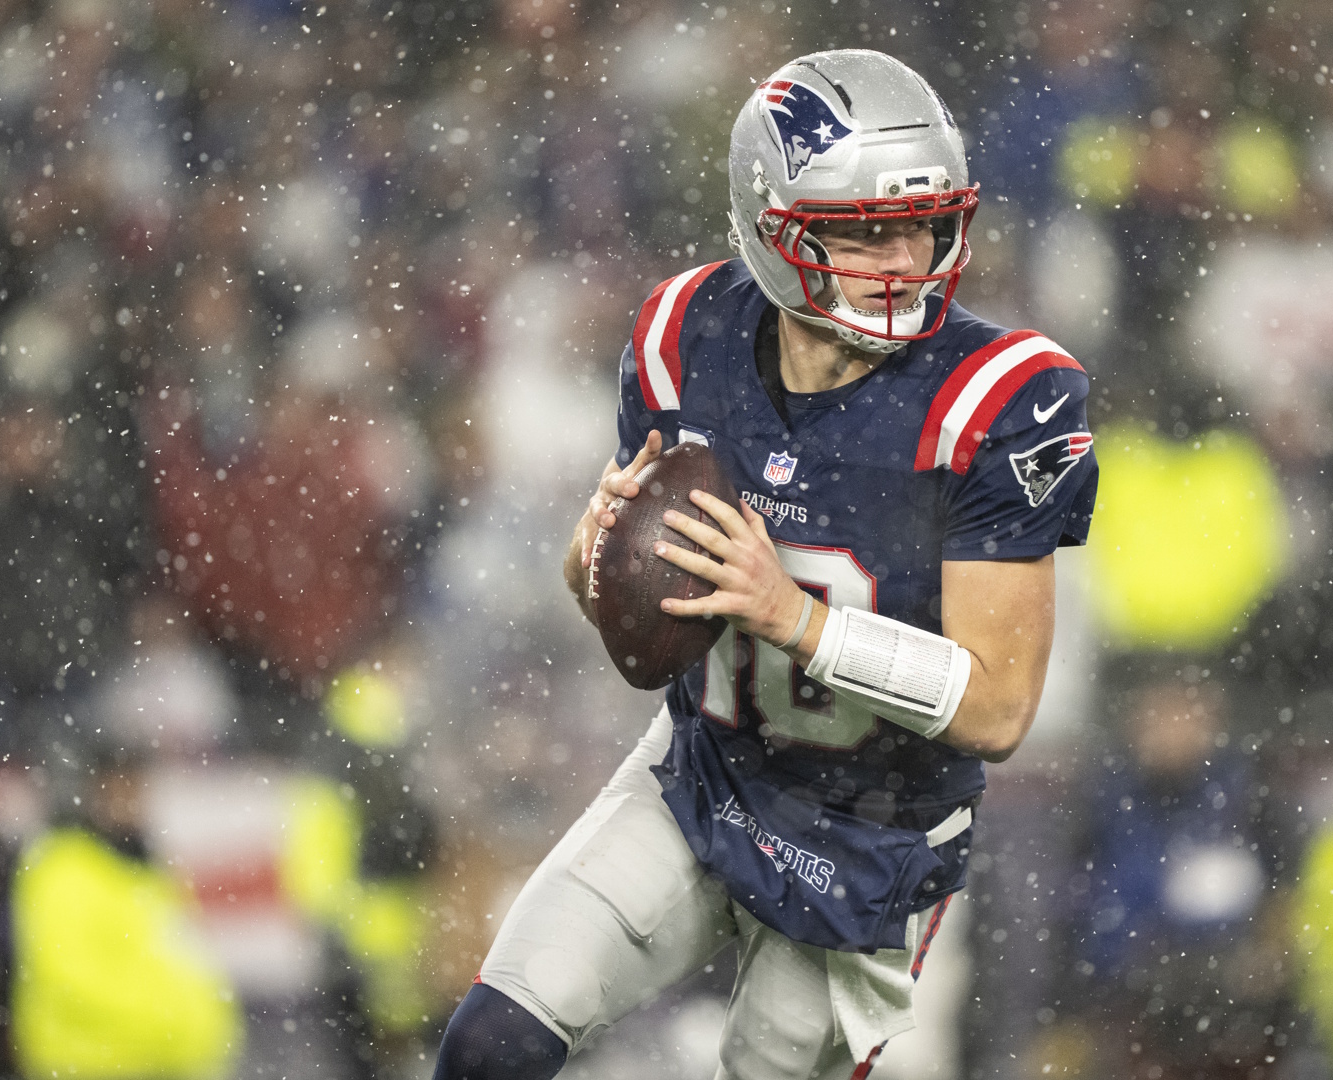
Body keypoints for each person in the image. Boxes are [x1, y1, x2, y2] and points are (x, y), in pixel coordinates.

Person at [432, 50, 1098, 1080]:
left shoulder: (999, 399)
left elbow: (1000, 709)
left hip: (877, 840)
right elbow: (644, 630)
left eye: (922, 223)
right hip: (705, 772)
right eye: (865, 232)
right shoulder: (682, 331)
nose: (904, 256)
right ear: (775, 228)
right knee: (491, 1044)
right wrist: (593, 569)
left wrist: (798, 618)